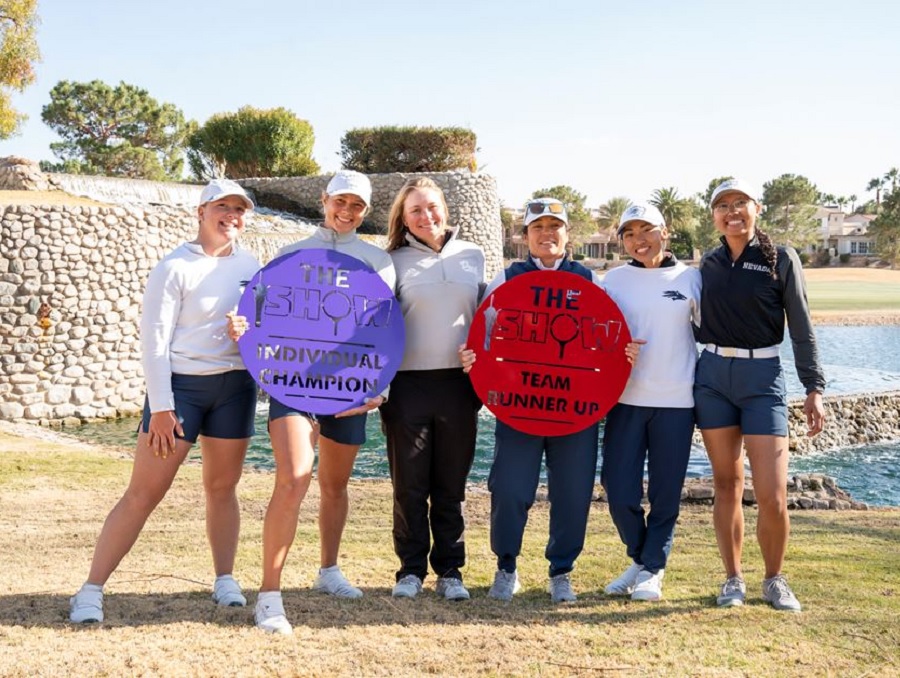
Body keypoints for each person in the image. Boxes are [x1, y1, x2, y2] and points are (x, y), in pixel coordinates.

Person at [69, 179, 260, 624]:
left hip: (235, 388)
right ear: (201, 211)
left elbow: (262, 329)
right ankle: (90, 590)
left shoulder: (252, 264)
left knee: (222, 488)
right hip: (181, 393)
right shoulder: (173, 267)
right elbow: (153, 344)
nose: (232, 215)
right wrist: (161, 407)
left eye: (239, 209)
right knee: (144, 493)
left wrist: (246, 333)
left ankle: (225, 579)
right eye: (223, 207)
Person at [462, 198, 636, 603]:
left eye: (554, 226)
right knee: (509, 488)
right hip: (519, 405)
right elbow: (483, 339)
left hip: (576, 408)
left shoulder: (591, 282)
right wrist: (472, 358)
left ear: (567, 234)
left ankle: (562, 571)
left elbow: (609, 341)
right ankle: (507, 567)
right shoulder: (505, 279)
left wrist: (625, 354)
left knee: (573, 492)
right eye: (538, 227)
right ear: (525, 237)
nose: (547, 234)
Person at [250, 170, 396, 634]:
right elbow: (260, 317)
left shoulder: (380, 261)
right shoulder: (289, 253)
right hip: (293, 384)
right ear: (324, 200)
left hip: (350, 389)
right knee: (294, 478)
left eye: (358, 206)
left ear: (366, 212)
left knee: (334, 485)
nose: (347, 212)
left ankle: (328, 570)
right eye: (340, 201)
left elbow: (384, 329)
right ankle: (269, 597)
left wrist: (381, 389)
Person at [695, 178, 826, 612]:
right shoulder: (708, 263)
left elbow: (802, 329)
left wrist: (814, 387)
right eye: (722, 205)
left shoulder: (781, 259)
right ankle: (733, 579)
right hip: (712, 377)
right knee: (727, 483)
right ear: (713, 214)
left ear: (758, 208)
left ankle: (774, 579)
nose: (732, 211)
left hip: (763, 379)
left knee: (771, 493)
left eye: (740, 203)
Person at [379, 177, 485, 601]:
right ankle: (409, 570)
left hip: (459, 386)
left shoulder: (473, 256)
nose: (427, 217)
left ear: (445, 207)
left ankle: (451, 571)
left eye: (432, 207)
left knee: (451, 486)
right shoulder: (392, 261)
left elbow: (489, 320)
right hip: (407, 386)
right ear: (403, 220)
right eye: (415, 211)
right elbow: (375, 324)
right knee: (409, 485)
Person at [600, 203, 701, 602]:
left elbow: (710, 334)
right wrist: (614, 351)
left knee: (665, 491)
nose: (638, 240)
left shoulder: (691, 278)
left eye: (647, 230)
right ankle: (641, 559)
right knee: (618, 488)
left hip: (677, 400)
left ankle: (651, 569)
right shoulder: (613, 280)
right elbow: (595, 338)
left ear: (666, 231)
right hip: (624, 399)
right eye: (629, 234)